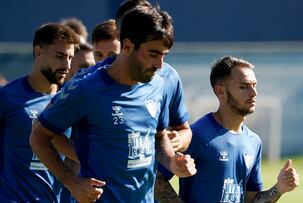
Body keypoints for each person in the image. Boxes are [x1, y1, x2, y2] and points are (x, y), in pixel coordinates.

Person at [30, 5, 196, 203]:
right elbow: (39, 136)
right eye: (153, 54)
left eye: (164, 55)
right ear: (127, 46)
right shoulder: (87, 89)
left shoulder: (158, 85)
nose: (160, 64)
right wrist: (72, 182)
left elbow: (158, 137)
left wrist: (172, 162)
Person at [179, 56, 299, 203]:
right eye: (244, 87)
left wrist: (279, 188)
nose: (253, 93)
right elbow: (157, 177)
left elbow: (251, 200)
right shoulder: (197, 134)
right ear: (221, 92)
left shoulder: (254, 142)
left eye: (254, 85)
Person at [0, 23, 80, 202]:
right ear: (38, 52)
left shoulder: (69, 100)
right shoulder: (7, 96)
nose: (66, 65)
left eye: (70, 58)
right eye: (60, 56)